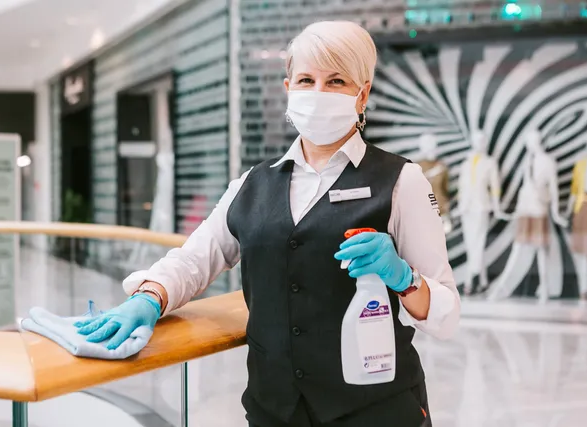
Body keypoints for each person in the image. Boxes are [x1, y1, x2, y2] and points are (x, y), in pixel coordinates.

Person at [75, 20, 460, 427]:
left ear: (361, 94)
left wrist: (404, 278)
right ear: (288, 88)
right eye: (306, 79)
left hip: (377, 411)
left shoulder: (402, 181)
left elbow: (447, 316)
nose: (318, 93)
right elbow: (195, 259)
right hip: (274, 411)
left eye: (336, 81)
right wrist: (149, 297)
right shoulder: (251, 185)